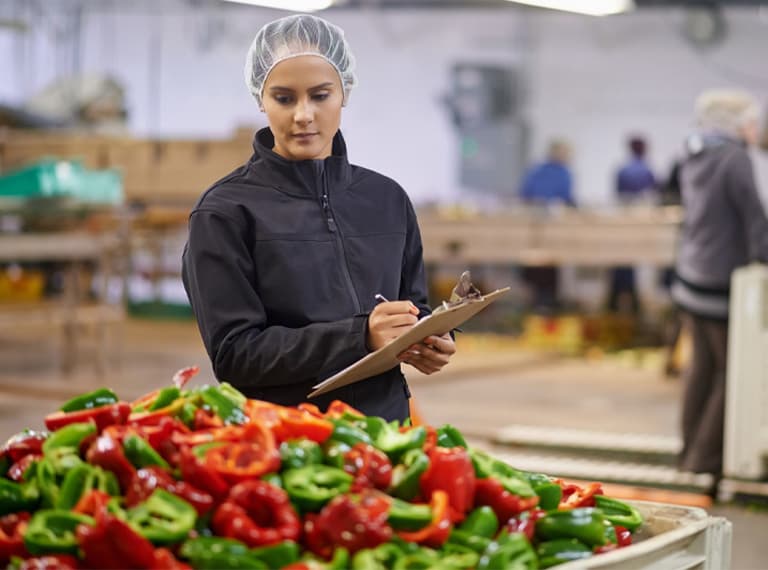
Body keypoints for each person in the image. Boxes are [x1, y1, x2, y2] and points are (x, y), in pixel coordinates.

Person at [182, 14, 456, 422]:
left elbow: (411, 307)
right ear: (261, 98)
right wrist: (360, 336)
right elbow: (234, 354)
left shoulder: (387, 200)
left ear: (344, 93)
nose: (303, 115)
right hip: (287, 445)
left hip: (385, 436)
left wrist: (429, 340)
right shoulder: (225, 212)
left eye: (320, 95)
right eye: (284, 98)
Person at [671, 88, 768, 480]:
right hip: (720, 282)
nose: (754, 128)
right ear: (734, 124)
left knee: (702, 368)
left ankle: (688, 453)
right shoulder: (734, 159)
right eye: (749, 121)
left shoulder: (693, 154)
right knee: (731, 375)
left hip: (692, 275)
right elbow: (754, 219)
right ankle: (705, 462)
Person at [518, 139, 575, 311]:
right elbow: (567, 198)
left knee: (541, 268)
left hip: (538, 227)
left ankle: (541, 302)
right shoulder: (558, 172)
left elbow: (525, 194)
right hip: (546, 227)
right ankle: (543, 303)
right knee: (544, 266)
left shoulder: (538, 170)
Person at [608, 136, 658, 316]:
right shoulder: (647, 171)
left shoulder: (622, 171)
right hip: (639, 224)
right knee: (631, 264)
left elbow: (617, 196)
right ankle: (632, 307)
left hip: (623, 223)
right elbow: (653, 197)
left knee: (621, 263)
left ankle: (614, 306)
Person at [519, 139, 576, 207]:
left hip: (556, 209)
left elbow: (566, 197)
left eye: (566, 153)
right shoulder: (538, 170)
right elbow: (525, 192)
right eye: (562, 152)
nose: (565, 155)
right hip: (533, 207)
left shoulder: (565, 173)